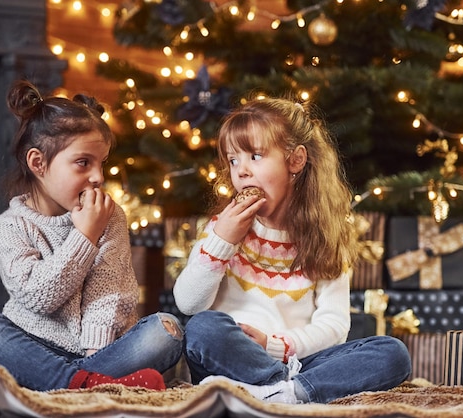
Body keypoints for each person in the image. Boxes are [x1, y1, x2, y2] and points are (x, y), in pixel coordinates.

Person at [173, 95, 411, 404]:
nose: (241, 171)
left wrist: (276, 346)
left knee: (392, 353)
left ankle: (280, 393)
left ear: (295, 160)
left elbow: (334, 326)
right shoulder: (221, 229)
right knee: (203, 327)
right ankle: (292, 392)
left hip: (295, 363)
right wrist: (222, 242)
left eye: (255, 156)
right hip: (229, 361)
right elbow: (188, 303)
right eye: (233, 160)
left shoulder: (323, 236)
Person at [0, 80, 183, 392]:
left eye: (101, 163)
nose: (98, 177)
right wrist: (85, 236)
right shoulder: (7, 228)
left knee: (165, 332)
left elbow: (109, 290)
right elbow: (39, 297)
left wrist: (97, 352)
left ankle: (40, 381)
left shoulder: (110, 215)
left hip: (102, 350)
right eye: (83, 163)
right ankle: (88, 385)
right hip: (32, 345)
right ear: (39, 163)